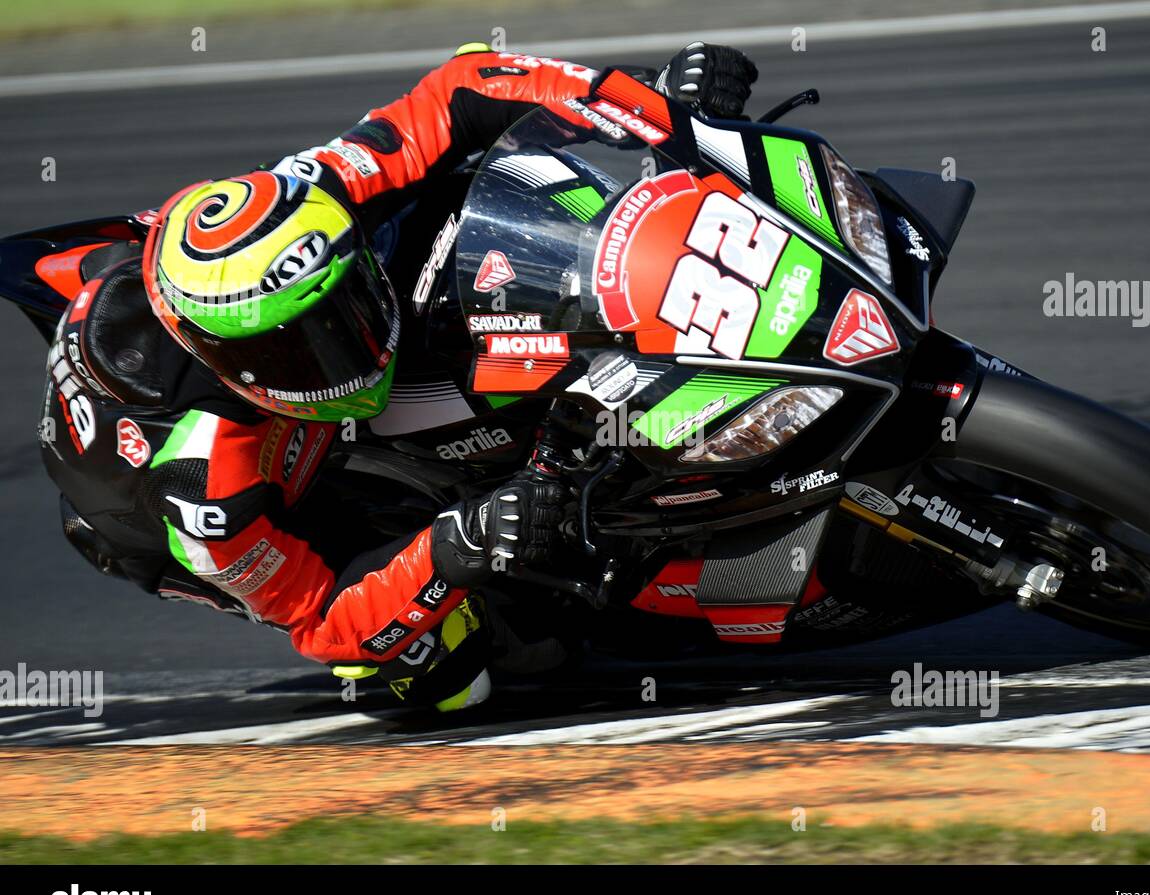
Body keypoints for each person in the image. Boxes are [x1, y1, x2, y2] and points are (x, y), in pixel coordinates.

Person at [38, 41, 758, 709]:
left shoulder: (315, 193)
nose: (344, 348)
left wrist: (651, 110)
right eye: (305, 349)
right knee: (469, 670)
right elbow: (320, 618)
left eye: (344, 309)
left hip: (247, 350)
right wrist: (459, 542)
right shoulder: (202, 490)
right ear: (235, 364)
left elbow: (469, 83)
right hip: (218, 516)